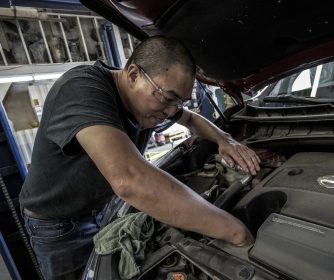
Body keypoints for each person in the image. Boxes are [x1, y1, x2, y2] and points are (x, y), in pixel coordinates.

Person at [19, 35, 260, 280]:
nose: (170, 112)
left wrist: (223, 139)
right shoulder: (81, 89)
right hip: (59, 226)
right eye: (167, 98)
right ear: (133, 74)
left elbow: (189, 118)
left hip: (104, 208)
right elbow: (129, 180)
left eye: (179, 102)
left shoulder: (147, 99)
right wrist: (234, 231)